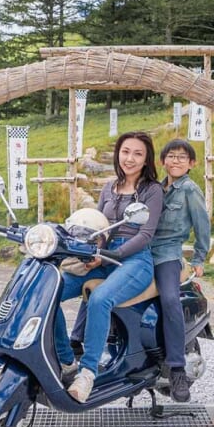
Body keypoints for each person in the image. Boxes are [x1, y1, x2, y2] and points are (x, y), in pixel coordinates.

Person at [55, 131, 163, 403]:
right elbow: (98, 227)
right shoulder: (109, 187)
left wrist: (110, 254)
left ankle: (88, 373)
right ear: (118, 153)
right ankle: (67, 361)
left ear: (146, 158)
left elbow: (145, 235)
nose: (130, 158)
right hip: (103, 256)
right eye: (126, 151)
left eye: (138, 153)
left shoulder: (152, 190)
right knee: (49, 290)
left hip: (135, 260)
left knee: (101, 299)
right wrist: (87, 250)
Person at [151, 138, 210, 402]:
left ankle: (176, 369)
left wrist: (199, 258)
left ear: (192, 163)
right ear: (162, 161)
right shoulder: (155, 187)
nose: (175, 161)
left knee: (170, 300)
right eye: (171, 156)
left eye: (182, 157)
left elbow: (202, 225)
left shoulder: (189, 190)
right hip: (141, 251)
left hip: (167, 253)